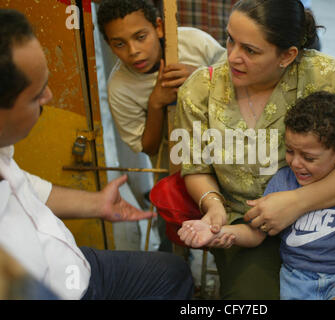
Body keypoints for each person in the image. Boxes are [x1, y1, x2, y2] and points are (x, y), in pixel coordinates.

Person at [174, 0, 335, 299]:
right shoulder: (200, 89)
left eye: (250, 50)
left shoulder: (324, 75)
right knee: (251, 300)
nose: (232, 57)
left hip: (331, 217)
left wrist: (297, 202)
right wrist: (214, 206)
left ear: (288, 55)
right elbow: (194, 168)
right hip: (247, 224)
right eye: (230, 39)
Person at [0, 8, 194, 300]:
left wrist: (96, 203)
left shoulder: (4, 150)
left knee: (173, 273)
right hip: (65, 291)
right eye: (35, 95)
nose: (50, 97)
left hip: (77, 262)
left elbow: (24, 186)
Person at [178, 91, 335, 300]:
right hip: (296, 278)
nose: (295, 163)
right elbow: (256, 234)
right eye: (290, 151)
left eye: (309, 158)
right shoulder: (282, 182)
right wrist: (218, 233)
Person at [97, 0, 226, 252]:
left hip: (224, 153)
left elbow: (239, 78)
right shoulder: (120, 87)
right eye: (119, 44)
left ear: (158, 27)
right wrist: (156, 104)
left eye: (140, 36)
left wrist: (201, 77)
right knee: (174, 235)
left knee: (224, 231)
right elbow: (148, 147)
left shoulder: (193, 42)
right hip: (173, 169)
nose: (133, 51)